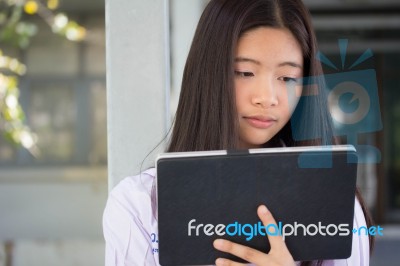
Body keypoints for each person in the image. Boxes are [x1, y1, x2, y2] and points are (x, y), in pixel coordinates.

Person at [103, 0, 374, 265]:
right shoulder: (139, 206)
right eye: (244, 72)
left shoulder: (336, 206)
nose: (267, 98)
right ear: (207, 75)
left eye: (288, 78)